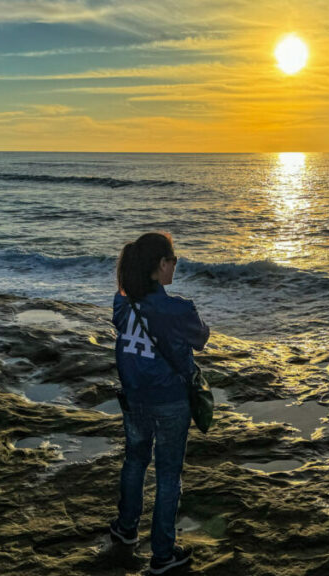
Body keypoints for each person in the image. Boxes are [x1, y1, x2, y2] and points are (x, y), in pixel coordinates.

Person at [109, 232, 210, 575]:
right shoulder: (179, 308)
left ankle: (125, 528)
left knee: (135, 461)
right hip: (169, 400)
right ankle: (163, 553)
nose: (176, 267)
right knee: (168, 473)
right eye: (173, 260)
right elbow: (201, 339)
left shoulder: (123, 301)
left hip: (134, 396)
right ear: (161, 264)